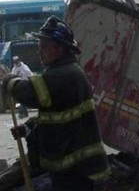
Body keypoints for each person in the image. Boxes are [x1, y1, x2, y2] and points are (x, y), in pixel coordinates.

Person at [2, 16, 110, 191]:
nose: (39, 52)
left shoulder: (63, 74)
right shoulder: (66, 71)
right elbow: (56, 116)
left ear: (58, 48)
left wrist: (9, 80)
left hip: (77, 169)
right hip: (75, 168)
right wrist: (29, 128)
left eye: (43, 47)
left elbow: (30, 93)